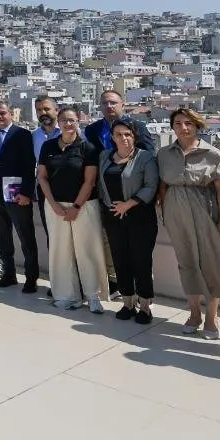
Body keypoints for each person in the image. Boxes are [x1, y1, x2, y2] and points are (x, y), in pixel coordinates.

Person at [156, 107, 220, 339]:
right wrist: (165, 210)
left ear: (197, 126)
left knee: (211, 264)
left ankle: (212, 316)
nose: (183, 128)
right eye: (178, 124)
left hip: (206, 209)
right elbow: (162, 186)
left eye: (188, 123)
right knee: (186, 263)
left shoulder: (212, 154)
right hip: (176, 209)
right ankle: (194, 313)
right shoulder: (164, 153)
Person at [85, 89, 153, 298]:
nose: (109, 107)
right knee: (114, 248)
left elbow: (150, 158)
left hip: (136, 200)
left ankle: (144, 298)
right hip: (107, 197)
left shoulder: (138, 127)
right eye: (105, 103)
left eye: (113, 103)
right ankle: (120, 290)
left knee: (139, 254)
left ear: (122, 104)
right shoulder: (92, 130)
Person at [37, 107, 104, 312]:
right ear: (58, 122)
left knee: (87, 250)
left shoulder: (88, 148)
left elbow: (89, 181)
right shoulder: (48, 146)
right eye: (64, 120)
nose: (68, 124)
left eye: (72, 120)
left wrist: (76, 206)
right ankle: (67, 295)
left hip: (84, 206)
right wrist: (54, 204)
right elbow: (42, 177)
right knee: (60, 252)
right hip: (55, 206)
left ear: (78, 122)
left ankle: (94, 296)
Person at [98, 122, 160, 322]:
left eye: (127, 134)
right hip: (113, 217)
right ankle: (127, 303)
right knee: (120, 261)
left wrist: (128, 204)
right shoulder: (104, 157)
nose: (123, 138)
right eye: (118, 135)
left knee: (141, 262)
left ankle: (145, 307)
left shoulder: (145, 157)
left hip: (140, 217)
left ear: (134, 136)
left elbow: (151, 186)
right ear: (113, 137)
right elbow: (99, 185)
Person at [0, 100, 40, 292]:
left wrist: (26, 193)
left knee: (26, 237)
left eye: (3, 113)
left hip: (17, 196)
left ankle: (31, 278)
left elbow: (28, 165)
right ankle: (9, 274)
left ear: (11, 114)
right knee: (3, 237)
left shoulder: (22, 135)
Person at [29, 94, 61, 293]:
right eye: (40, 110)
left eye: (47, 109)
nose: (43, 113)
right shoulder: (34, 136)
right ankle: (57, 280)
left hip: (69, 192)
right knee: (52, 236)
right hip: (43, 192)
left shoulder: (71, 131)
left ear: (56, 110)